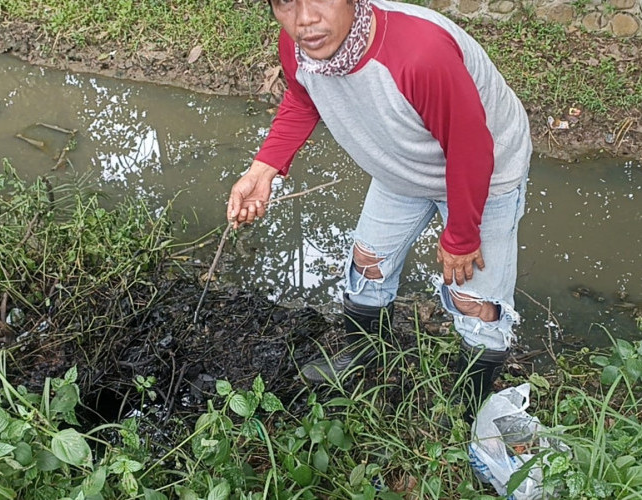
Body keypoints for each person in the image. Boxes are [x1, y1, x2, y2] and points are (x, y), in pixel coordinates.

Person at [227, 0, 531, 417]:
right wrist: (264, 168)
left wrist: (461, 235)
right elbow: (302, 98)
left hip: (486, 171)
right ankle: (367, 358)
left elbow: (472, 149)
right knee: (367, 268)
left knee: (475, 301)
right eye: (285, 3)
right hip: (403, 168)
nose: (304, 19)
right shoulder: (300, 44)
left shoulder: (420, 53)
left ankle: (468, 402)